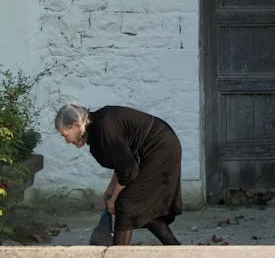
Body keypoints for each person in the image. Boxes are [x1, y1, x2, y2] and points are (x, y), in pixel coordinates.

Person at [55, 102, 183, 245]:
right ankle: (176, 248)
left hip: (160, 148)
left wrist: (114, 198)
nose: (66, 141)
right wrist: (110, 189)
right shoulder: (98, 126)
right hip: (158, 147)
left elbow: (129, 169)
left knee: (125, 204)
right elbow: (122, 161)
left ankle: (118, 252)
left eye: (66, 135)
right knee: (141, 208)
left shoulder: (103, 129)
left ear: (77, 126)